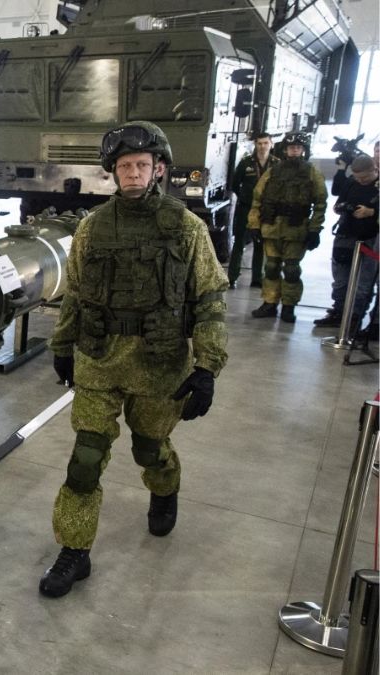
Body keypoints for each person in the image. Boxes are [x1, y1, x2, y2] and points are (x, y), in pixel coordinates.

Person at [40, 121, 229, 598]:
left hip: (159, 363)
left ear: (158, 168)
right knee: (85, 458)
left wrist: (207, 367)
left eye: (142, 165)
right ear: (113, 171)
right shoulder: (93, 226)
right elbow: (75, 293)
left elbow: (209, 298)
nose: (133, 173)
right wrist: (62, 345)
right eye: (124, 166)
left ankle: (164, 489)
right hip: (99, 359)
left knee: (149, 448)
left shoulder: (185, 227)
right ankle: (74, 550)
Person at [246, 131, 327, 323]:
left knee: (291, 270)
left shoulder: (311, 173)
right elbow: (257, 199)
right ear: (285, 150)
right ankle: (270, 302)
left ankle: (289, 306)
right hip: (272, 226)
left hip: (296, 229)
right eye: (291, 148)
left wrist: (315, 229)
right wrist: (254, 224)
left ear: (304, 150)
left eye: (298, 147)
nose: (294, 151)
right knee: (271, 267)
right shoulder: (273, 171)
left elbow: (320, 202)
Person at [315, 155, 379, 337]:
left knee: (363, 285)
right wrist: (344, 208)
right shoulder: (351, 183)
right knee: (340, 281)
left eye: (364, 177)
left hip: (371, 239)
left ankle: (355, 319)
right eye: (358, 177)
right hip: (346, 235)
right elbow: (337, 204)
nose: (361, 181)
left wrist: (372, 212)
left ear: (375, 170)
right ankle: (339, 312)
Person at [228, 131, 278, 289]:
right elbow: (235, 184)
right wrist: (245, 197)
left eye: (265, 143)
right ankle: (232, 277)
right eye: (259, 143)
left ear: (271, 144)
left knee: (260, 243)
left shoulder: (277, 165)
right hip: (246, 208)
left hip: (266, 210)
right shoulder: (246, 163)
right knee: (239, 242)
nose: (262, 146)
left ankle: (257, 278)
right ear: (255, 145)